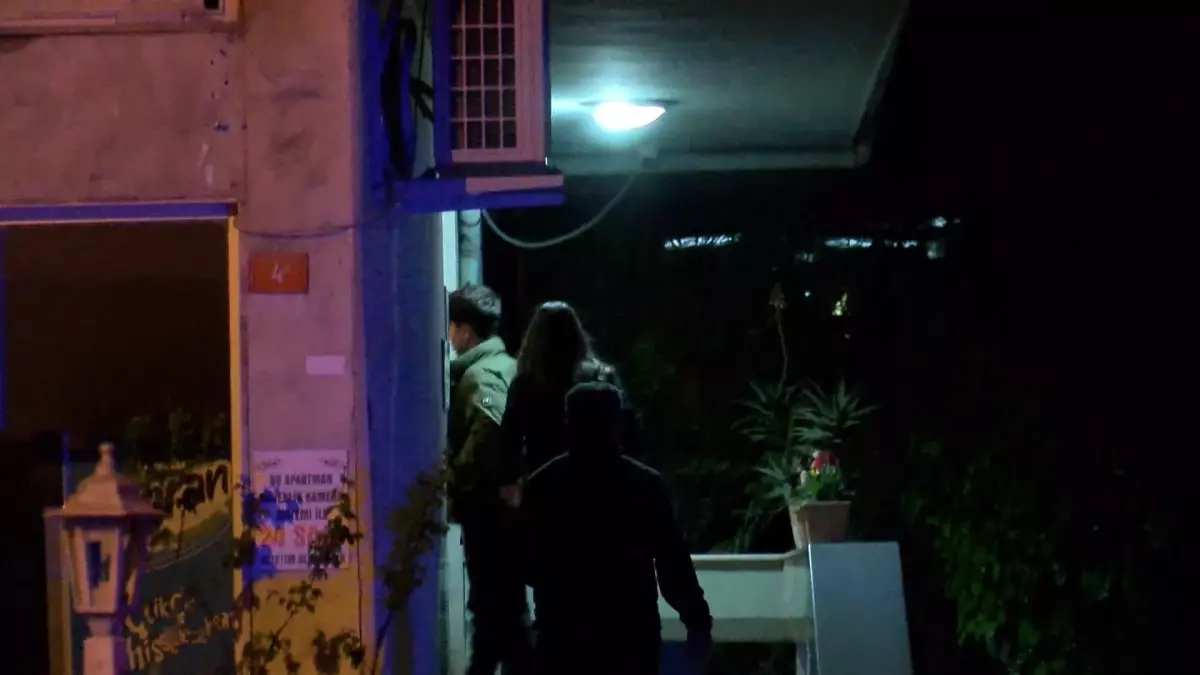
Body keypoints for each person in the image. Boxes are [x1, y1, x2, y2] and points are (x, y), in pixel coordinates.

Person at [521, 382, 713, 675]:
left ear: (569, 424)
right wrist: (697, 621)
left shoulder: (542, 486)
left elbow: (524, 565)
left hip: (563, 638)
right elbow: (673, 566)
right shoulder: (646, 485)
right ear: (617, 424)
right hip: (631, 638)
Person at [444, 283, 532, 675]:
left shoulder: (483, 375)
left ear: (465, 330)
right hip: (500, 512)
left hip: (490, 512)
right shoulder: (503, 365)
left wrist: (456, 474)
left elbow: (490, 427)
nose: (449, 337)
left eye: (451, 327)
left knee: (496, 608)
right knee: (502, 613)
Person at [496, 301, 636, 502]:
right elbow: (629, 428)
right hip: (601, 481)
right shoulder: (601, 377)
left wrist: (510, 484)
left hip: (546, 485)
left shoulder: (527, 384)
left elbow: (509, 439)